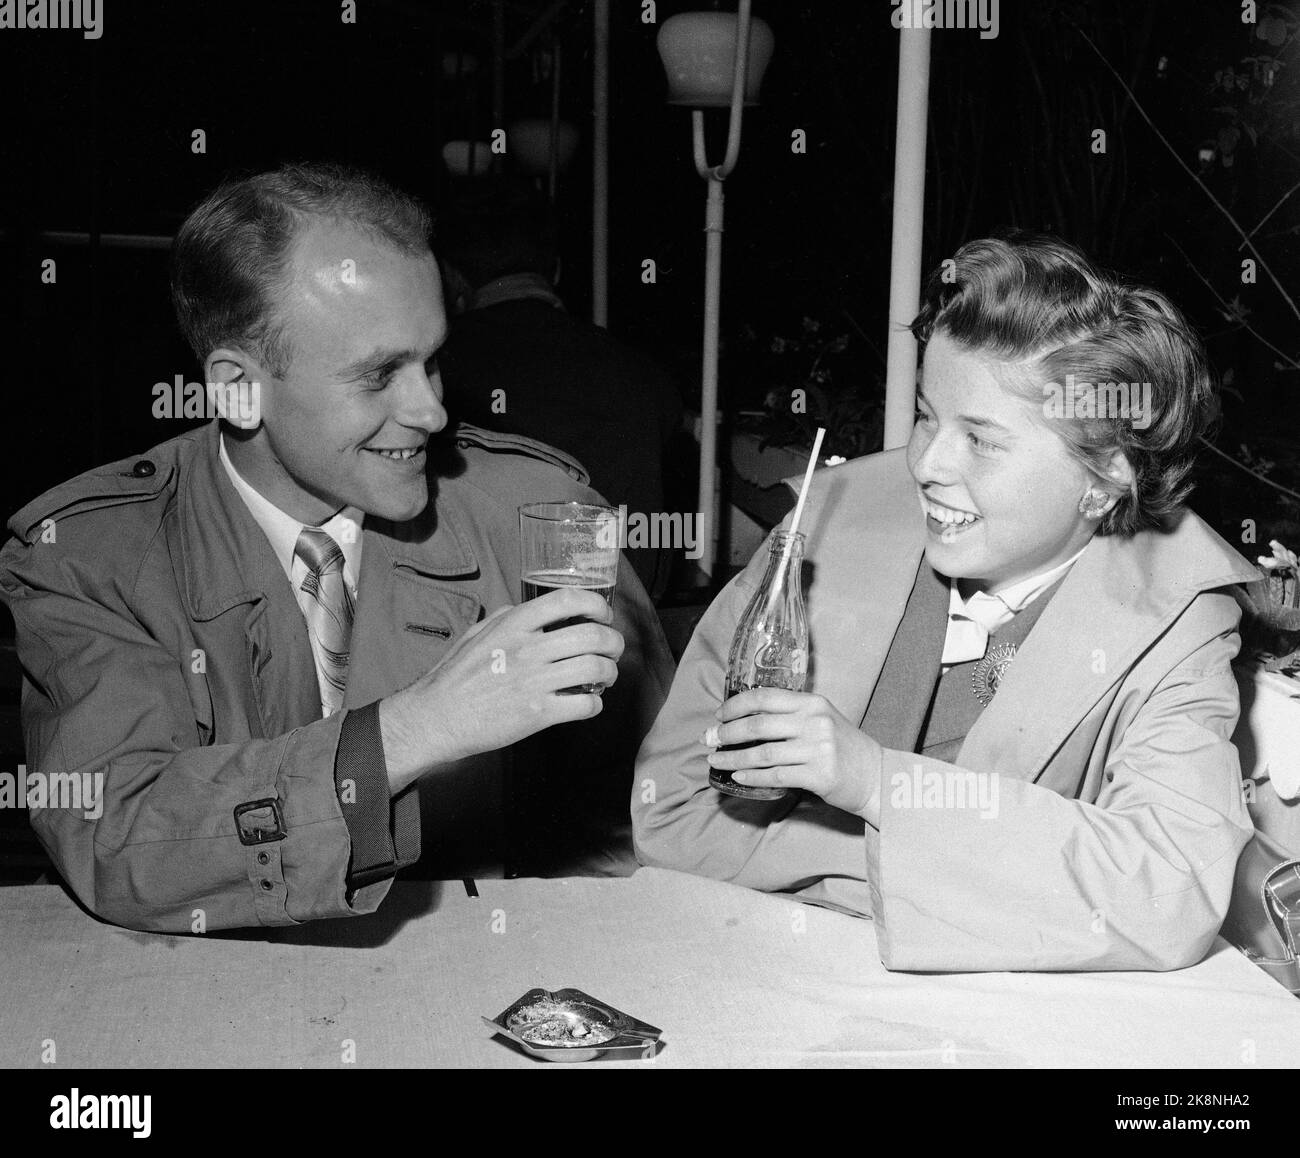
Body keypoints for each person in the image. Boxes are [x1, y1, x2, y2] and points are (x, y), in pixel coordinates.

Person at [0, 163, 675, 933]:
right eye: (380, 374)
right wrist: (417, 729)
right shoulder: (90, 557)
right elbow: (118, 838)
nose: (429, 410)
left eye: (431, 360)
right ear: (237, 389)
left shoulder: (536, 518)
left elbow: (654, 815)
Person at [633, 233, 1260, 973]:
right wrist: (971, 890)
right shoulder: (830, 521)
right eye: (928, 416)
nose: (926, 465)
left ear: (1107, 476)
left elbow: (1168, 893)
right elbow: (670, 814)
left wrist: (874, 785)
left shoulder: (1180, 615)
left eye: (982, 441)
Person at [435, 180, 685, 602]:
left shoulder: (436, 370)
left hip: (489, 628)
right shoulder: (638, 369)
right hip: (628, 621)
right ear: (555, 271)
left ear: (452, 278)